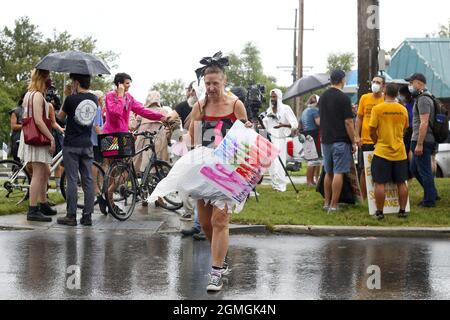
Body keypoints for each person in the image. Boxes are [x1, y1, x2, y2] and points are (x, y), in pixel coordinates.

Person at [189, 52, 251, 292]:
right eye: (208, 83)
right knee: (205, 223)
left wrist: (247, 128)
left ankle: (215, 273)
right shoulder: (200, 105)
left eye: (216, 83)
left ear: (225, 82)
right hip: (204, 168)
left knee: (220, 220)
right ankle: (220, 260)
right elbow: (193, 137)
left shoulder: (236, 105)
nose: (212, 88)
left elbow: (247, 138)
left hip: (229, 170)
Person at [57, 74, 98, 227]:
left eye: (73, 81)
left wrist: (67, 96)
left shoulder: (71, 99)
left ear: (76, 82)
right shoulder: (94, 99)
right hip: (87, 144)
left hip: (72, 144)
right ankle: (87, 216)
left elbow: (60, 118)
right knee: (88, 180)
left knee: (72, 180)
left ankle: (71, 216)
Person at [18, 69, 57, 222]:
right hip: (37, 136)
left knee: (45, 171)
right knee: (39, 173)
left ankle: (43, 203)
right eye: (49, 77)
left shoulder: (29, 94)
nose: (51, 80)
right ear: (44, 78)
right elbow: (39, 121)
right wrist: (51, 137)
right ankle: (33, 209)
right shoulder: (38, 96)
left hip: (29, 134)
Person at [369, 84, 410, 220]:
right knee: (401, 182)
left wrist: (377, 142)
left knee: (379, 183)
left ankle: (380, 212)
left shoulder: (377, 109)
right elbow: (405, 129)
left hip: (382, 151)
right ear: (397, 93)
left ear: (384, 92)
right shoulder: (403, 109)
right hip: (399, 151)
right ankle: (402, 211)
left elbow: (372, 130)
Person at [319, 70, 357, 213]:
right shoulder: (344, 98)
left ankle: (326, 203)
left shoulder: (322, 97)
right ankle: (334, 205)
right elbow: (348, 122)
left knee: (328, 172)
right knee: (338, 172)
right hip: (340, 140)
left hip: (326, 139)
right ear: (342, 79)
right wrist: (353, 141)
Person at [406, 73, 439, 208]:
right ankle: (432, 193)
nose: (410, 86)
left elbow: (424, 122)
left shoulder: (423, 99)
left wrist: (419, 143)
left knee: (424, 171)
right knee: (414, 168)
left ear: (419, 83)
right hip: (421, 140)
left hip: (423, 140)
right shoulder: (422, 98)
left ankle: (429, 200)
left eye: (411, 82)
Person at [262, 89, 299, 192]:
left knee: (279, 163)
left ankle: (281, 186)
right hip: (270, 138)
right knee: (271, 164)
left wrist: (283, 125)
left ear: (279, 97)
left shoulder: (286, 108)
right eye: (272, 97)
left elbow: (295, 124)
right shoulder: (268, 110)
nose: (273, 99)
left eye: (275, 97)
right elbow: (265, 125)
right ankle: (275, 185)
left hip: (280, 139)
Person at [355, 76, 385, 200]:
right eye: (373, 81)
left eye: (378, 82)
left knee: (381, 170)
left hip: (381, 141)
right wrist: (357, 136)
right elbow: (359, 118)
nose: (375, 84)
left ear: (383, 86)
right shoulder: (364, 98)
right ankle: (363, 197)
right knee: (363, 170)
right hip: (365, 140)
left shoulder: (385, 99)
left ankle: (379, 197)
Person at [130, 90, 170, 175]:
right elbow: (170, 125)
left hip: (144, 137)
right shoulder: (163, 111)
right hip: (158, 136)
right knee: (158, 160)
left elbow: (132, 126)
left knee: (141, 160)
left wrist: (130, 115)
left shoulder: (143, 112)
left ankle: (143, 178)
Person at [91, 90, 107, 214]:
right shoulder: (97, 108)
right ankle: (97, 192)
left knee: (98, 167)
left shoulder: (93, 108)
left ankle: (98, 190)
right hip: (95, 142)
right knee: (96, 168)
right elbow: (97, 127)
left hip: (93, 141)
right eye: (102, 98)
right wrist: (104, 137)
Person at [300, 94, 322, 186]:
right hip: (313, 134)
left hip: (305, 134)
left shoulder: (305, 111)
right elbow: (319, 123)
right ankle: (310, 181)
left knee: (311, 158)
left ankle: (310, 180)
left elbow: (300, 124)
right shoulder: (315, 110)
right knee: (313, 159)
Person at [9, 93, 26, 162]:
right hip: (17, 137)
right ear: (22, 98)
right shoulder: (15, 111)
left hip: (29, 138)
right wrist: (26, 126)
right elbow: (13, 126)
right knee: (17, 161)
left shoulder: (32, 110)